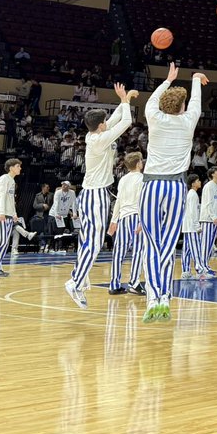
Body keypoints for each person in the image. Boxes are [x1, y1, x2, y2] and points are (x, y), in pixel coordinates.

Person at [139, 63, 207, 323]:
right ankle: (164, 296)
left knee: (151, 246)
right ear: (182, 107)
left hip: (152, 186)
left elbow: (152, 99)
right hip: (176, 187)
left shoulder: (153, 117)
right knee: (167, 247)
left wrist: (167, 80)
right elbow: (196, 103)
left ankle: (154, 297)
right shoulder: (189, 121)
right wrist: (196, 79)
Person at [64, 84, 136, 309]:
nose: (107, 122)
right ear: (100, 125)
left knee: (87, 241)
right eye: (105, 121)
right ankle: (75, 282)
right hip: (94, 195)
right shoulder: (98, 140)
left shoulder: (98, 133)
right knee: (94, 244)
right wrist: (124, 102)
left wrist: (126, 100)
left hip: (93, 194)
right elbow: (125, 122)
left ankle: (79, 275)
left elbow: (115, 119)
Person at [107, 151, 147, 295]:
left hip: (123, 217)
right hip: (136, 216)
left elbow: (118, 201)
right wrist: (143, 220)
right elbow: (143, 202)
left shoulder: (123, 179)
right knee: (138, 251)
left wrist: (114, 220)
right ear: (138, 164)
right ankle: (134, 283)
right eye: (141, 161)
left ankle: (114, 284)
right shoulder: (143, 179)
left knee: (118, 252)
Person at [197, 168, 217, 278]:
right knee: (205, 245)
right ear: (212, 174)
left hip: (214, 220)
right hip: (207, 219)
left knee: (210, 244)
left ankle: (206, 266)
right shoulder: (209, 186)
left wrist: (216, 217)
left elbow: (215, 204)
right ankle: (201, 268)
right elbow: (207, 203)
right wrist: (213, 217)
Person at [178, 175, 204, 281]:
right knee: (195, 249)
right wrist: (197, 226)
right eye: (198, 181)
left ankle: (185, 271)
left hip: (187, 226)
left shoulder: (190, 194)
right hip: (192, 227)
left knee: (187, 250)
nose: (200, 182)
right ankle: (200, 271)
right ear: (193, 183)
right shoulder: (193, 195)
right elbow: (193, 212)